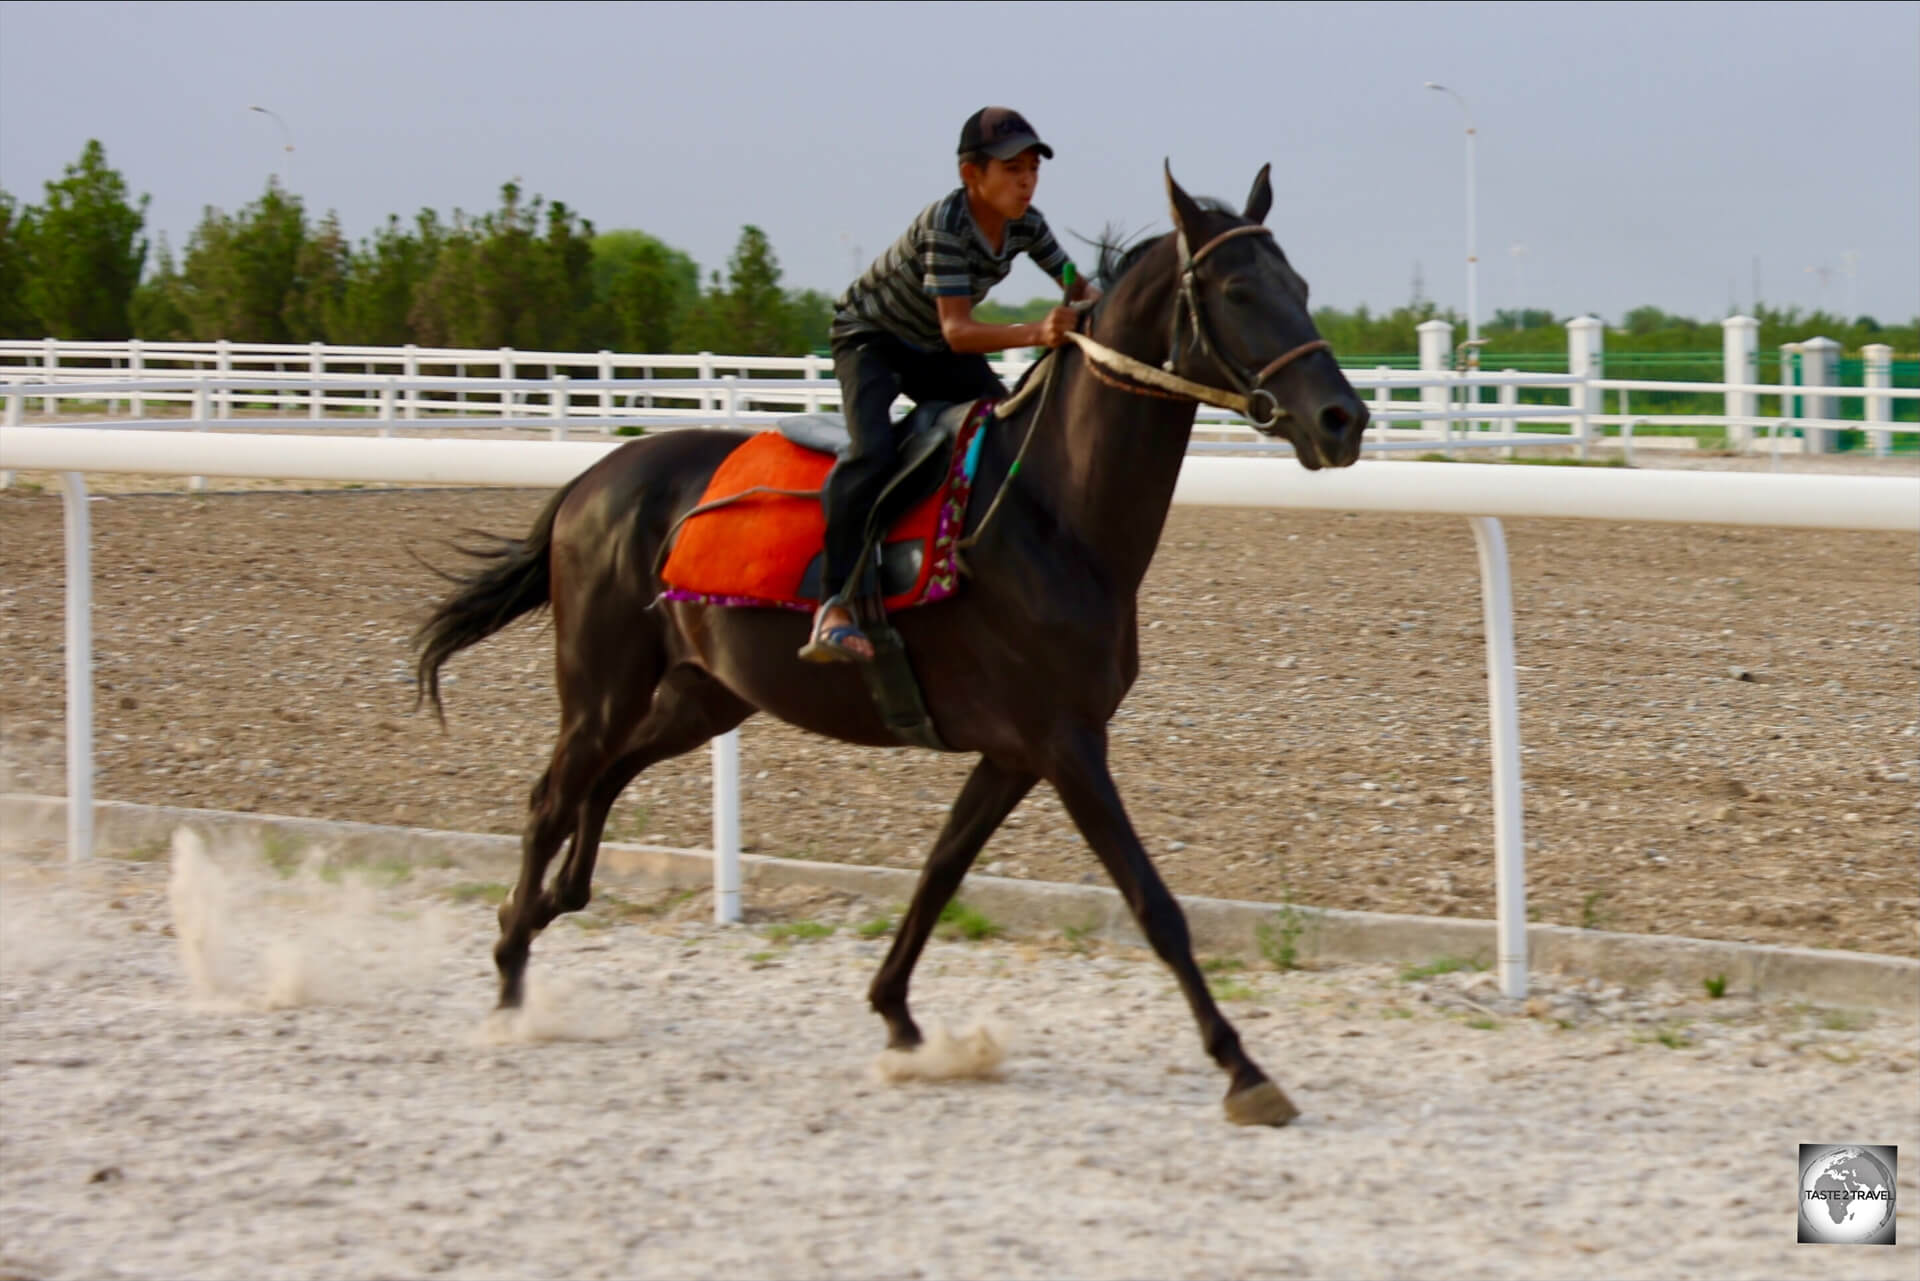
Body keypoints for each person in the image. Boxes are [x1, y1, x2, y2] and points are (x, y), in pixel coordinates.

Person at [800, 106, 1098, 663]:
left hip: (929, 347)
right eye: (1012, 169)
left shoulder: (1028, 224)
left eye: (1033, 168)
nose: (1027, 181)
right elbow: (959, 332)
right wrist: (1040, 329)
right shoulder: (946, 226)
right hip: (872, 339)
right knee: (872, 454)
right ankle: (831, 605)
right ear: (971, 175)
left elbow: (1075, 285)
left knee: (1009, 427)